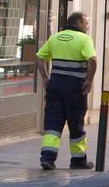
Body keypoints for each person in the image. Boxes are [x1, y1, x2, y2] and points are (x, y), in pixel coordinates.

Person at [35, 12, 98, 170]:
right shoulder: (84, 39)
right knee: (76, 123)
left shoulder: (55, 37)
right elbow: (93, 59)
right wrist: (89, 80)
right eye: (86, 23)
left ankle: (47, 158)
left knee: (52, 123)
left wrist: (45, 78)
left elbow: (39, 57)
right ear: (78, 23)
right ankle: (78, 161)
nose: (88, 26)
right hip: (75, 88)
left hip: (55, 86)